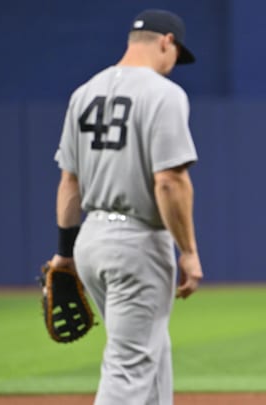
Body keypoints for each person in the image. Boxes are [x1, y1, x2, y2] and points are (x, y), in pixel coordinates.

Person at [49, 9, 202, 405]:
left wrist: (64, 253)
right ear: (166, 41)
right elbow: (169, 181)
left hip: (90, 240)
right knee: (129, 365)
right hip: (135, 242)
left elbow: (69, 182)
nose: (173, 65)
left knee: (151, 353)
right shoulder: (163, 93)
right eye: (175, 54)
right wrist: (188, 252)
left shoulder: (83, 93)